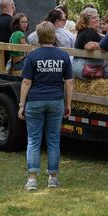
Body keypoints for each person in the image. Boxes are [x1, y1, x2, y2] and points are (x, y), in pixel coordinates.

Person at [18, 22, 74, 190]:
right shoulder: (63, 55)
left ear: (39, 36)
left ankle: (33, 179)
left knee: (34, 140)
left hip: (35, 100)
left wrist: (22, 104)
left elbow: (26, 82)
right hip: (56, 100)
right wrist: (68, 104)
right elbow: (69, 82)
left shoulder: (33, 56)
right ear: (53, 35)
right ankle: (53, 178)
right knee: (53, 140)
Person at [72, 8, 108, 80]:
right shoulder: (89, 31)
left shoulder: (83, 31)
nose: (97, 19)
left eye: (97, 17)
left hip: (78, 66)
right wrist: (104, 45)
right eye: (93, 18)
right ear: (86, 21)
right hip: (86, 68)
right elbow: (88, 46)